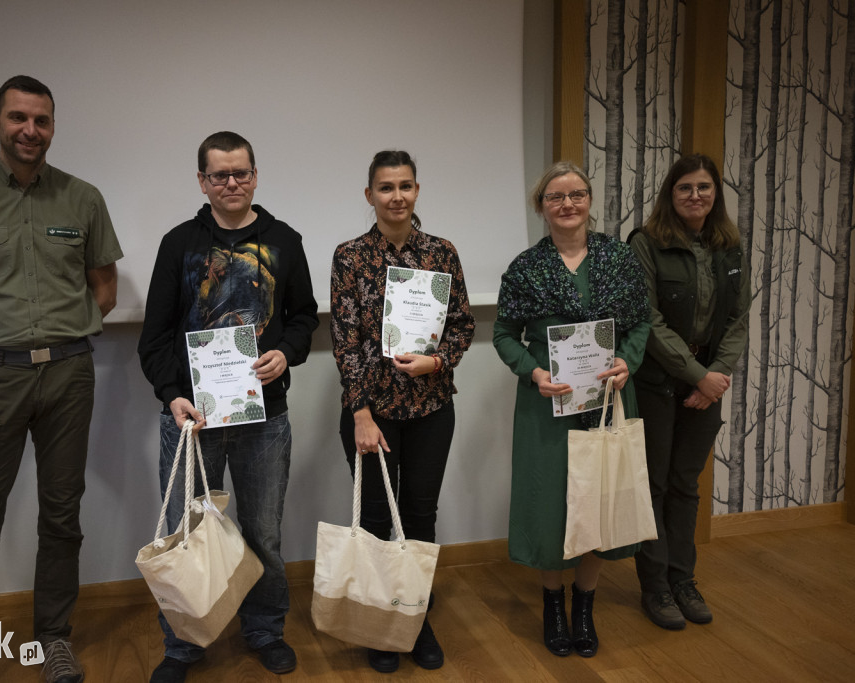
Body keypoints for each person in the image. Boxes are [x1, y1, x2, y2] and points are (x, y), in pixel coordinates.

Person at [0, 75, 123, 683]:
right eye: (18, 118)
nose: (29, 130)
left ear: (53, 126)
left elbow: (104, 288)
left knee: (63, 515)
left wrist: (56, 336)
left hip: (69, 376)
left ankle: (53, 642)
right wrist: (5, 343)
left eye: (41, 120)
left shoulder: (82, 198)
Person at [137, 131, 319, 683]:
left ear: (256, 175)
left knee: (263, 532)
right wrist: (172, 395)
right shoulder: (179, 244)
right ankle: (184, 644)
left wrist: (286, 353)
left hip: (265, 417)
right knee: (187, 534)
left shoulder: (284, 240)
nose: (232, 183)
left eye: (241, 172)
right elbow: (155, 335)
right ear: (203, 181)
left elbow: (305, 318)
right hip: (192, 420)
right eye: (220, 175)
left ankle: (265, 630)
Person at [492, 161, 650, 658]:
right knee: (551, 504)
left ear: (589, 200)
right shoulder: (525, 267)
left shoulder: (619, 260)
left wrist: (628, 360)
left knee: (599, 500)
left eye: (576, 194)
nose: (567, 204)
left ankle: (585, 605)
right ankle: (553, 605)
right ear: (542, 206)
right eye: (555, 197)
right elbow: (502, 335)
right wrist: (533, 371)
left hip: (607, 398)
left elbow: (641, 324)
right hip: (548, 403)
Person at [329, 150, 475, 673]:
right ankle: (378, 625)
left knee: (419, 516)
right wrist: (361, 413)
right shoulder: (349, 256)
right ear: (369, 195)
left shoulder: (441, 252)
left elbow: (462, 325)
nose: (397, 196)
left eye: (406, 186)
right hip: (374, 414)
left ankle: (414, 619)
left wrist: (436, 360)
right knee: (372, 519)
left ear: (417, 191)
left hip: (432, 406)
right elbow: (345, 342)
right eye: (386, 187)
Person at [628, 153, 750, 630]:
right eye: (685, 188)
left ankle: (684, 579)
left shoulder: (730, 245)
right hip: (658, 381)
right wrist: (696, 373)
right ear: (670, 194)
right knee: (654, 485)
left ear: (715, 193)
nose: (694, 196)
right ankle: (655, 588)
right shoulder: (646, 243)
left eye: (703, 187)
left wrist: (715, 375)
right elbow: (647, 320)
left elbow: (739, 319)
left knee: (685, 484)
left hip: (707, 382)